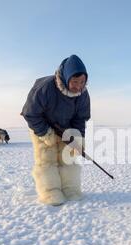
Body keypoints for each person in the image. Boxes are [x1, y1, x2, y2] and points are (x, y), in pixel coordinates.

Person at [21, 54, 90, 206]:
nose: (79, 86)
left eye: (82, 82)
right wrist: (46, 133)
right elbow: (30, 113)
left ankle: (70, 189)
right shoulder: (44, 88)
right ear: (66, 78)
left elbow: (80, 118)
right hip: (41, 128)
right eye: (75, 82)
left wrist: (77, 138)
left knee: (68, 158)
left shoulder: (83, 94)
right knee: (47, 160)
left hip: (67, 129)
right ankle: (50, 191)